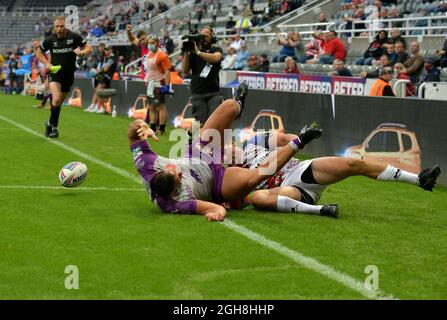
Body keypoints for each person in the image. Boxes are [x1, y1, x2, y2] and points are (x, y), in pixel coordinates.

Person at [128, 83, 323, 221]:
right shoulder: (177, 204)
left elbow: (132, 135)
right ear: (173, 191)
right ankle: (301, 140)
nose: (179, 172)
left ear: (160, 171)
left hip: (198, 153)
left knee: (229, 106)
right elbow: (216, 208)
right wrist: (217, 213)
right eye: (179, 178)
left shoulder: (146, 165)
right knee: (257, 175)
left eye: (172, 171)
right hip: (218, 183)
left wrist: (140, 126)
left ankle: (239, 104)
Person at [239, 131, 441, 217]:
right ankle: (319, 210)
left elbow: (285, 138)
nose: (226, 148)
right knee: (257, 198)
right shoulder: (230, 170)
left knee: (352, 163)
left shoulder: (253, 142)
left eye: (226, 144)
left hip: (299, 169)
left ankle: (418, 179)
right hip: (284, 190)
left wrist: (299, 138)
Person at [35, 16, 93, 138]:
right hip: (55, 74)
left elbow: (89, 48)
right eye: (57, 26)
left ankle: (49, 123)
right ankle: (55, 129)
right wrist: (47, 64)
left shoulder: (74, 37)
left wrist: (82, 53)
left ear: (65, 26)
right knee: (55, 100)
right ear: (54, 27)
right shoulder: (50, 40)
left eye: (61, 26)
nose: (59, 29)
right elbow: (39, 52)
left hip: (68, 75)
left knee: (58, 104)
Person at [182, 26, 224, 126]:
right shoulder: (193, 52)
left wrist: (198, 52)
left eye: (206, 36)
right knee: (200, 123)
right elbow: (185, 70)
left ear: (212, 38)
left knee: (214, 122)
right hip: (198, 93)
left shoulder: (216, 49)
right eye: (201, 36)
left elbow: (216, 58)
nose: (203, 38)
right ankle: (195, 140)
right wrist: (187, 52)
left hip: (214, 93)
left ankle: (213, 141)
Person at [144, 34, 171, 135]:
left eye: (152, 43)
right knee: (151, 107)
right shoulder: (149, 54)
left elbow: (167, 71)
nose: (150, 45)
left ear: (157, 44)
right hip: (150, 84)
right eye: (149, 43)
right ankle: (153, 128)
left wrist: (167, 85)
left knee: (160, 106)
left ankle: (162, 129)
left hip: (158, 83)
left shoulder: (162, 55)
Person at [88, 45, 117, 114]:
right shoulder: (104, 58)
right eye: (105, 49)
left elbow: (105, 68)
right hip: (102, 75)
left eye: (107, 49)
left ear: (111, 50)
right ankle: (93, 105)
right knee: (97, 89)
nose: (106, 51)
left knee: (99, 89)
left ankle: (99, 107)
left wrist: (97, 71)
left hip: (107, 76)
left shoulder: (111, 58)